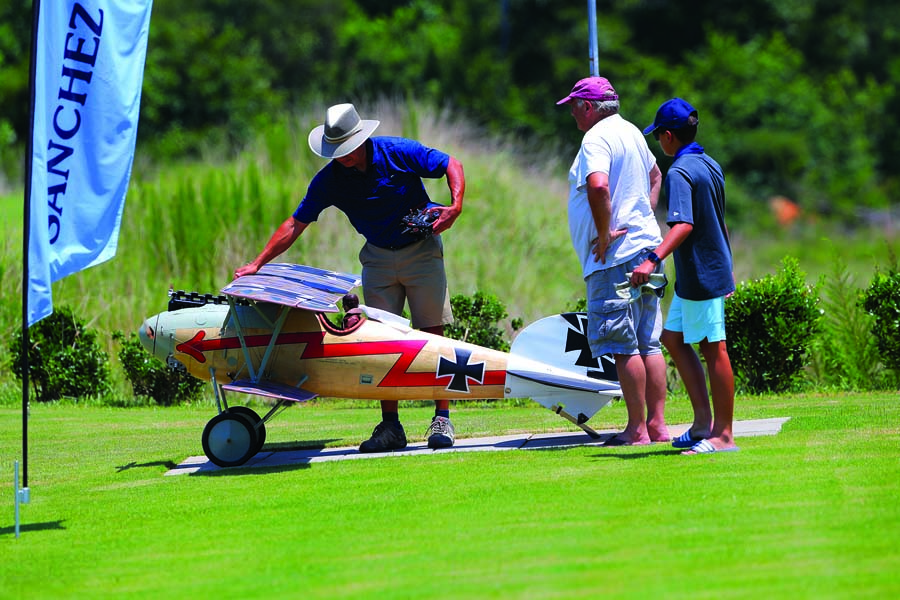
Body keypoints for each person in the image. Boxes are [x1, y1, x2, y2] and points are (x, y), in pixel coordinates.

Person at [234, 103, 465, 453]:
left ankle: (442, 418)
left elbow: (451, 164)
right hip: (377, 257)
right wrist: (257, 263)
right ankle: (391, 428)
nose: (341, 157)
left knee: (432, 333)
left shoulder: (397, 151)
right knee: (381, 339)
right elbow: (296, 222)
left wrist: (455, 206)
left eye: (346, 149)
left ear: (362, 138)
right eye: (335, 151)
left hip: (421, 251)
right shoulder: (330, 180)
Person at [557, 76, 669, 446]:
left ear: (589, 107)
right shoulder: (634, 132)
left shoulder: (595, 137)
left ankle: (637, 430)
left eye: (574, 105)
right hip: (646, 250)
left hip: (615, 259)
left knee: (624, 345)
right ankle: (657, 425)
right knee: (649, 342)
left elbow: (599, 185)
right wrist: (641, 215)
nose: (572, 112)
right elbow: (657, 175)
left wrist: (605, 234)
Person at [634, 97, 738, 454]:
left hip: (702, 272)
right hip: (706, 270)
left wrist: (651, 260)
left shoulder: (679, 171)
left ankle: (723, 436)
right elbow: (719, 219)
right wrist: (729, 267)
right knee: (674, 337)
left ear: (667, 136)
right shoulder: (710, 164)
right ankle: (701, 424)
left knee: (714, 349)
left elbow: (684, 225)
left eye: (658, 135)